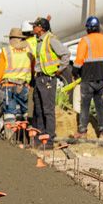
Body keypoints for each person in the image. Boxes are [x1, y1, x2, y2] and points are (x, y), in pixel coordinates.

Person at [73, 15, 103, 139]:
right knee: (101, 106)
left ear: (88, 28)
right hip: (101, 78)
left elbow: (79, 59)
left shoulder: (85, 40)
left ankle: (82, 132)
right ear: (98, 28)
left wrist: (75, 72)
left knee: (85, 106)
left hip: (87, 78)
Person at [31, 16, 70, 144]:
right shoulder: (40, 41)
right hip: (39, 78)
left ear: (41, 28)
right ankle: (41, 135)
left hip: (47, 79)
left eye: (35, 26)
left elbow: (65, 54)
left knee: (47, 110)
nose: (33, 28)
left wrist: (60, 70)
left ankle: (49, 138)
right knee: (39, 109)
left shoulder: (51, 39)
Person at [0, 27, 33, 119]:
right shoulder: (29, 50)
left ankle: (10, 132)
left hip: (9, 86)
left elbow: (0, 70)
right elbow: (33, 67)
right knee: (27, 112)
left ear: (11, 38)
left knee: (9, 114)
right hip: (24, 86)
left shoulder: (6, 50)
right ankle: (26, 131)